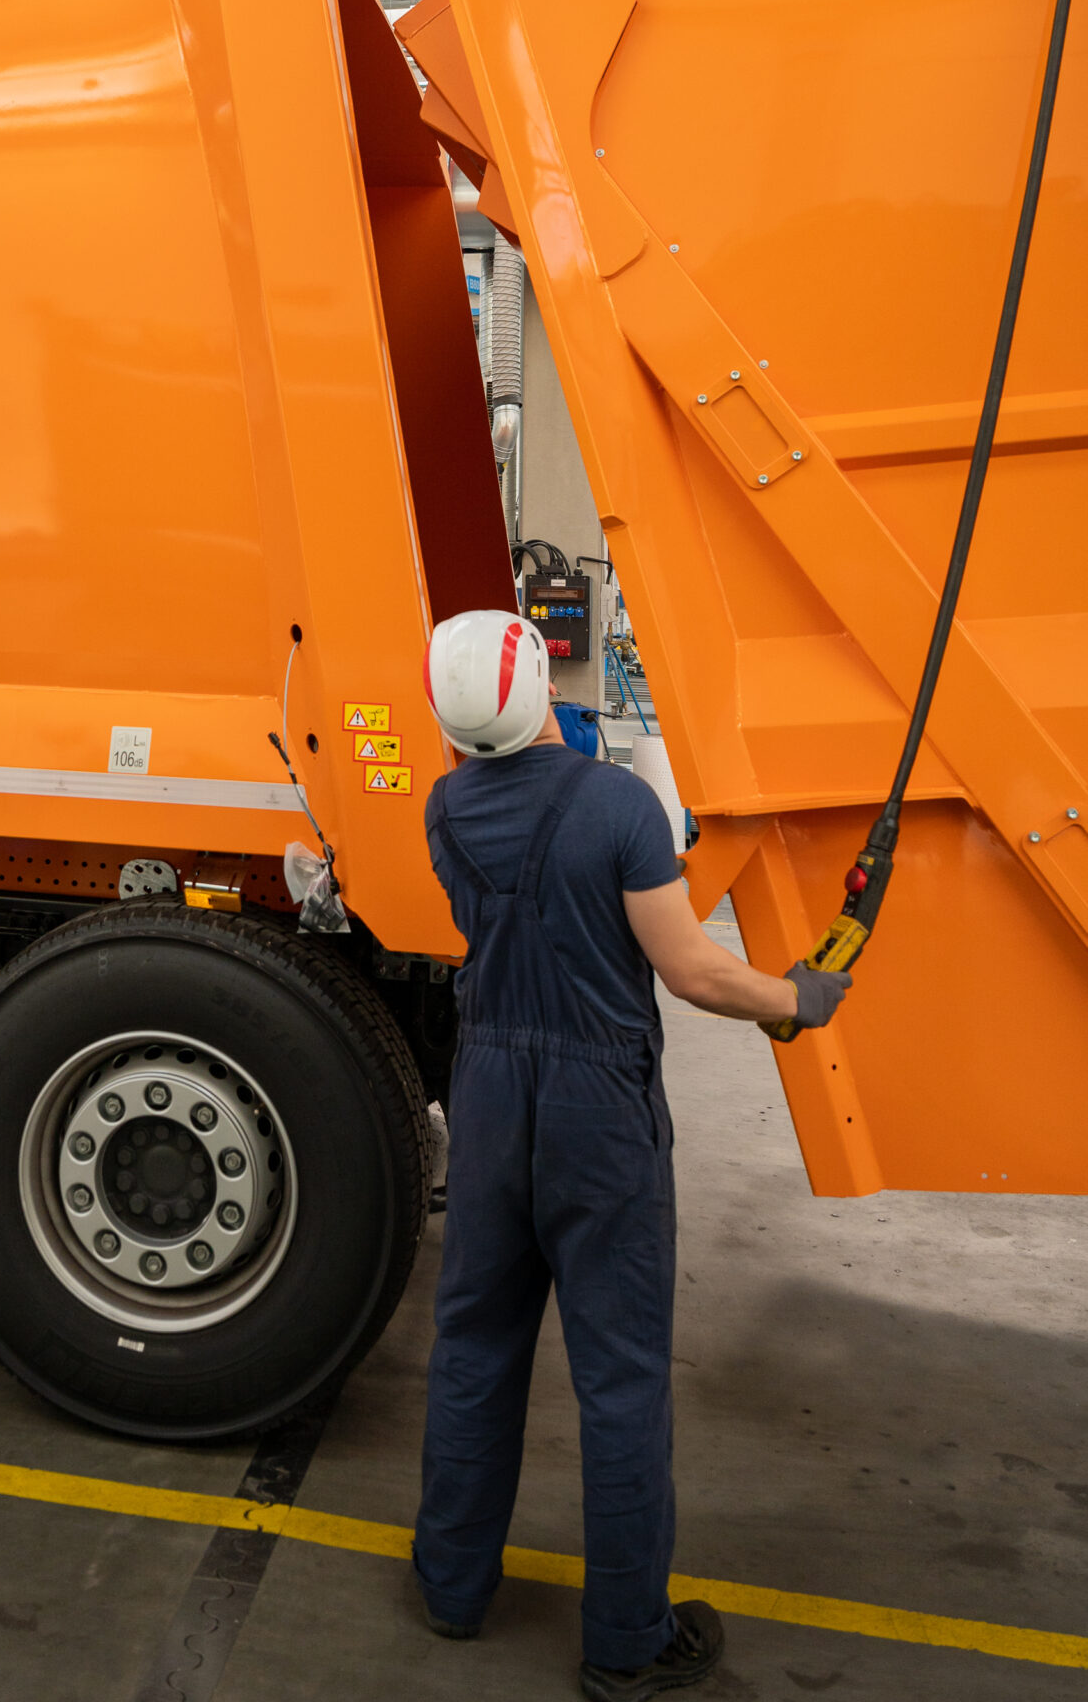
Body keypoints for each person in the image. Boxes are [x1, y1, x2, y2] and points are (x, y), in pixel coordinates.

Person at [412, 609, 853, 1701]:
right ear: (537, 686)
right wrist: (794, 998)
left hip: (488, 1093)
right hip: (594, 1110)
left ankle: (450, 1587)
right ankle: (624, 1643)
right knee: (617, 1377)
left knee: (473, 1346)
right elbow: (692, 970)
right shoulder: (617, 805)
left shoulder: (444, 807)